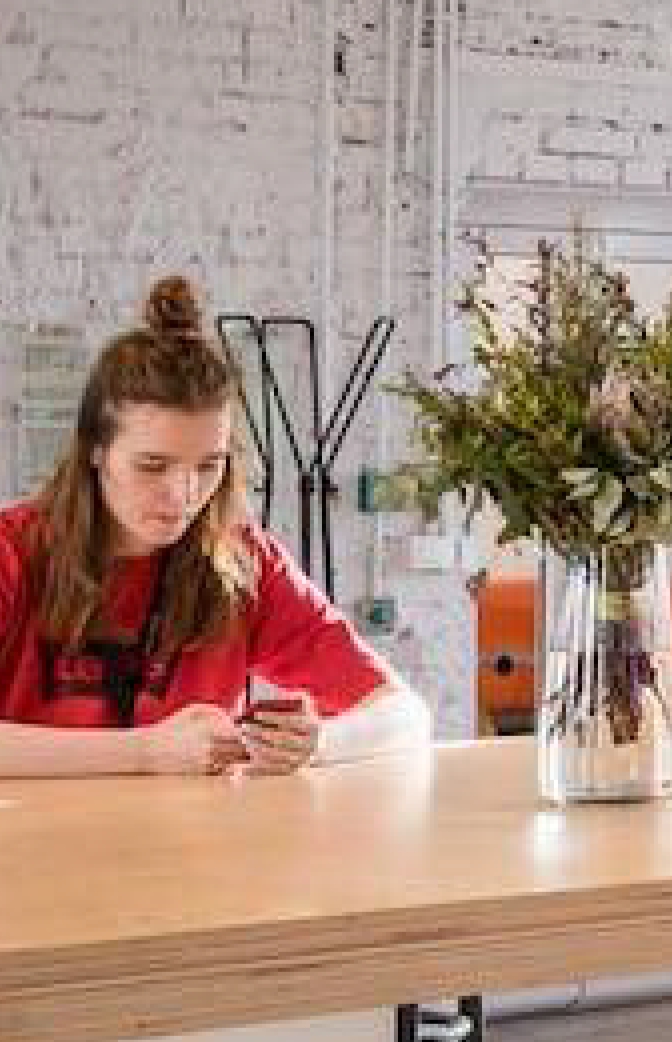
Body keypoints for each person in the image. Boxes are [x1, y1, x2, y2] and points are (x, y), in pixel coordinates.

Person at [0, 277, 429, 779]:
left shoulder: (244, 561)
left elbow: (406, 715)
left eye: (209, 466)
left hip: (191, 831)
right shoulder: (12, 551)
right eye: (153, 465)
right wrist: (145, 753)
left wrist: (321, 743)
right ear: (95, 450)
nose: (184, 495)